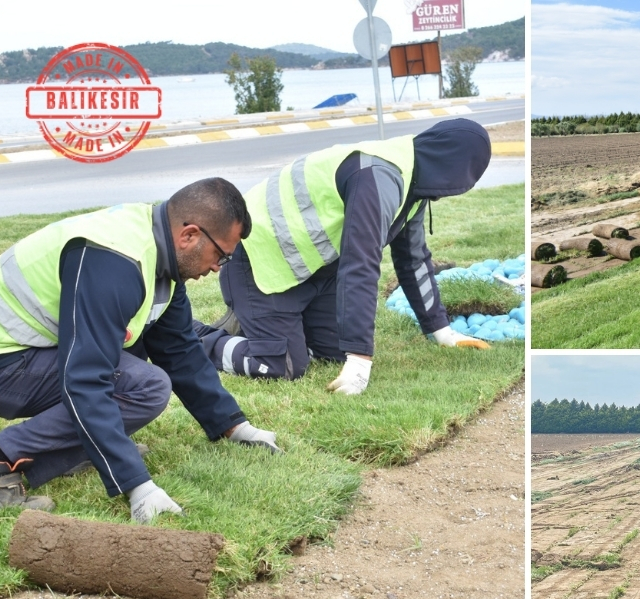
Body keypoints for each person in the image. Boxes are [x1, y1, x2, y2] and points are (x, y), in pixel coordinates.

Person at [0, 179, 280, 522]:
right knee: (146, 386)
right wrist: (136, 484)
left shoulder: (158, 251)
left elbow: (179, 348)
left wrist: (232, 425)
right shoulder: (115, 260)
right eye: (221, 255)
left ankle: (84, 447)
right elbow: (85, 380)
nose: (217, 267)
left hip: (25, 352)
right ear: (189, 235)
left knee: (137, 352)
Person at [193, 119, 492, 396]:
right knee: (282, 365)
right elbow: (360, 264)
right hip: (260, 262)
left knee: (335, 353)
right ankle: (194, 337)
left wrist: (442, 331)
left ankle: (260, 325)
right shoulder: (379, 177)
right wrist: (360, 360)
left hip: (312, 273)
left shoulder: (412, 182)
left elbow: (413, 260)